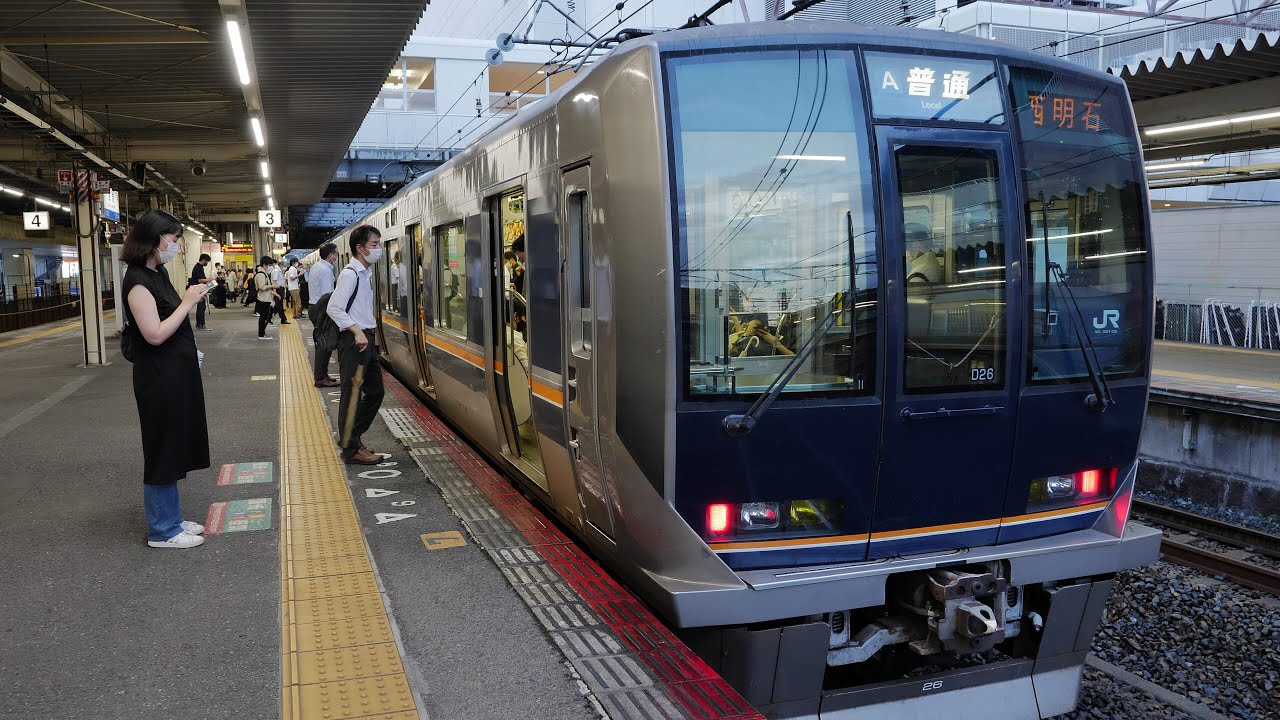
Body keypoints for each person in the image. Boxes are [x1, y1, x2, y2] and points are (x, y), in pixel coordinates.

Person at [121, 209, 211, 549]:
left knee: (173, 444)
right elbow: (154, 334)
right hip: (157, 379)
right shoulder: (137, 281)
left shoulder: (155, 272)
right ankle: (163, 530)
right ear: (154, 240)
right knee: (162, 449)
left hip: (173, 374)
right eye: (173, 241)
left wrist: (190, 296)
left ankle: (172, 519)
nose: (175, 247)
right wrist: (188, 302)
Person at [327, 225, 385, 465]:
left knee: (375, 392)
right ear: (360, 249)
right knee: (352, 395)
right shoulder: (350, 274)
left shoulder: (365, 273)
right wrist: (356, 330)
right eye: (374, 245)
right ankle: (351, 449)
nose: (378, 249)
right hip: (355, 343)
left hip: (366, 340)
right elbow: (334, 308)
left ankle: (352, 438)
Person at [307, 242, 340, 387]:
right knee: (324, 344)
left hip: (314, 307)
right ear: (331, 255)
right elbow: (327, 296)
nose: (337, 257)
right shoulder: (325, 271)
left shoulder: (316, 267)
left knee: (323, 342)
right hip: (321, 309)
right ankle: (320, 377)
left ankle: (323, 374)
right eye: (336, 254)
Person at [253, 256, 279, 340]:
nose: (269, 267)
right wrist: (272, 286)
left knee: (265, 316)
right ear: (265, 265)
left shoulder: (263, 273)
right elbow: (262, 287)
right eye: (269, 265)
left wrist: (273, 293)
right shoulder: (261, 274)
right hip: (263, 299)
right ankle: (261, 334)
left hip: (265, 298)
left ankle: (262, 333)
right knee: (263, 317)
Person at [189, 252, 213, 330]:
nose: (207, 263)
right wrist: (210, 279)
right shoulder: (198, 268)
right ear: (203, 260)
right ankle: (201, 324)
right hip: (199, 289)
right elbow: (200, 280)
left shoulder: (199, 267)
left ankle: (199, 324)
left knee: (201, 307)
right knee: (201, 308)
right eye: (206, 261)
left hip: (199, 289)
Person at [273, 259, 290, 324]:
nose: (285, 268)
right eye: (284, 266)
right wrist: (274, 292)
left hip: (280, 289)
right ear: (281, 265)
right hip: (277, 289)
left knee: (278, 305)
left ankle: (270, 317)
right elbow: (274, 281)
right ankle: (283, 319)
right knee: (278, 305)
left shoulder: (280, 271)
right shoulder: (276, 271)